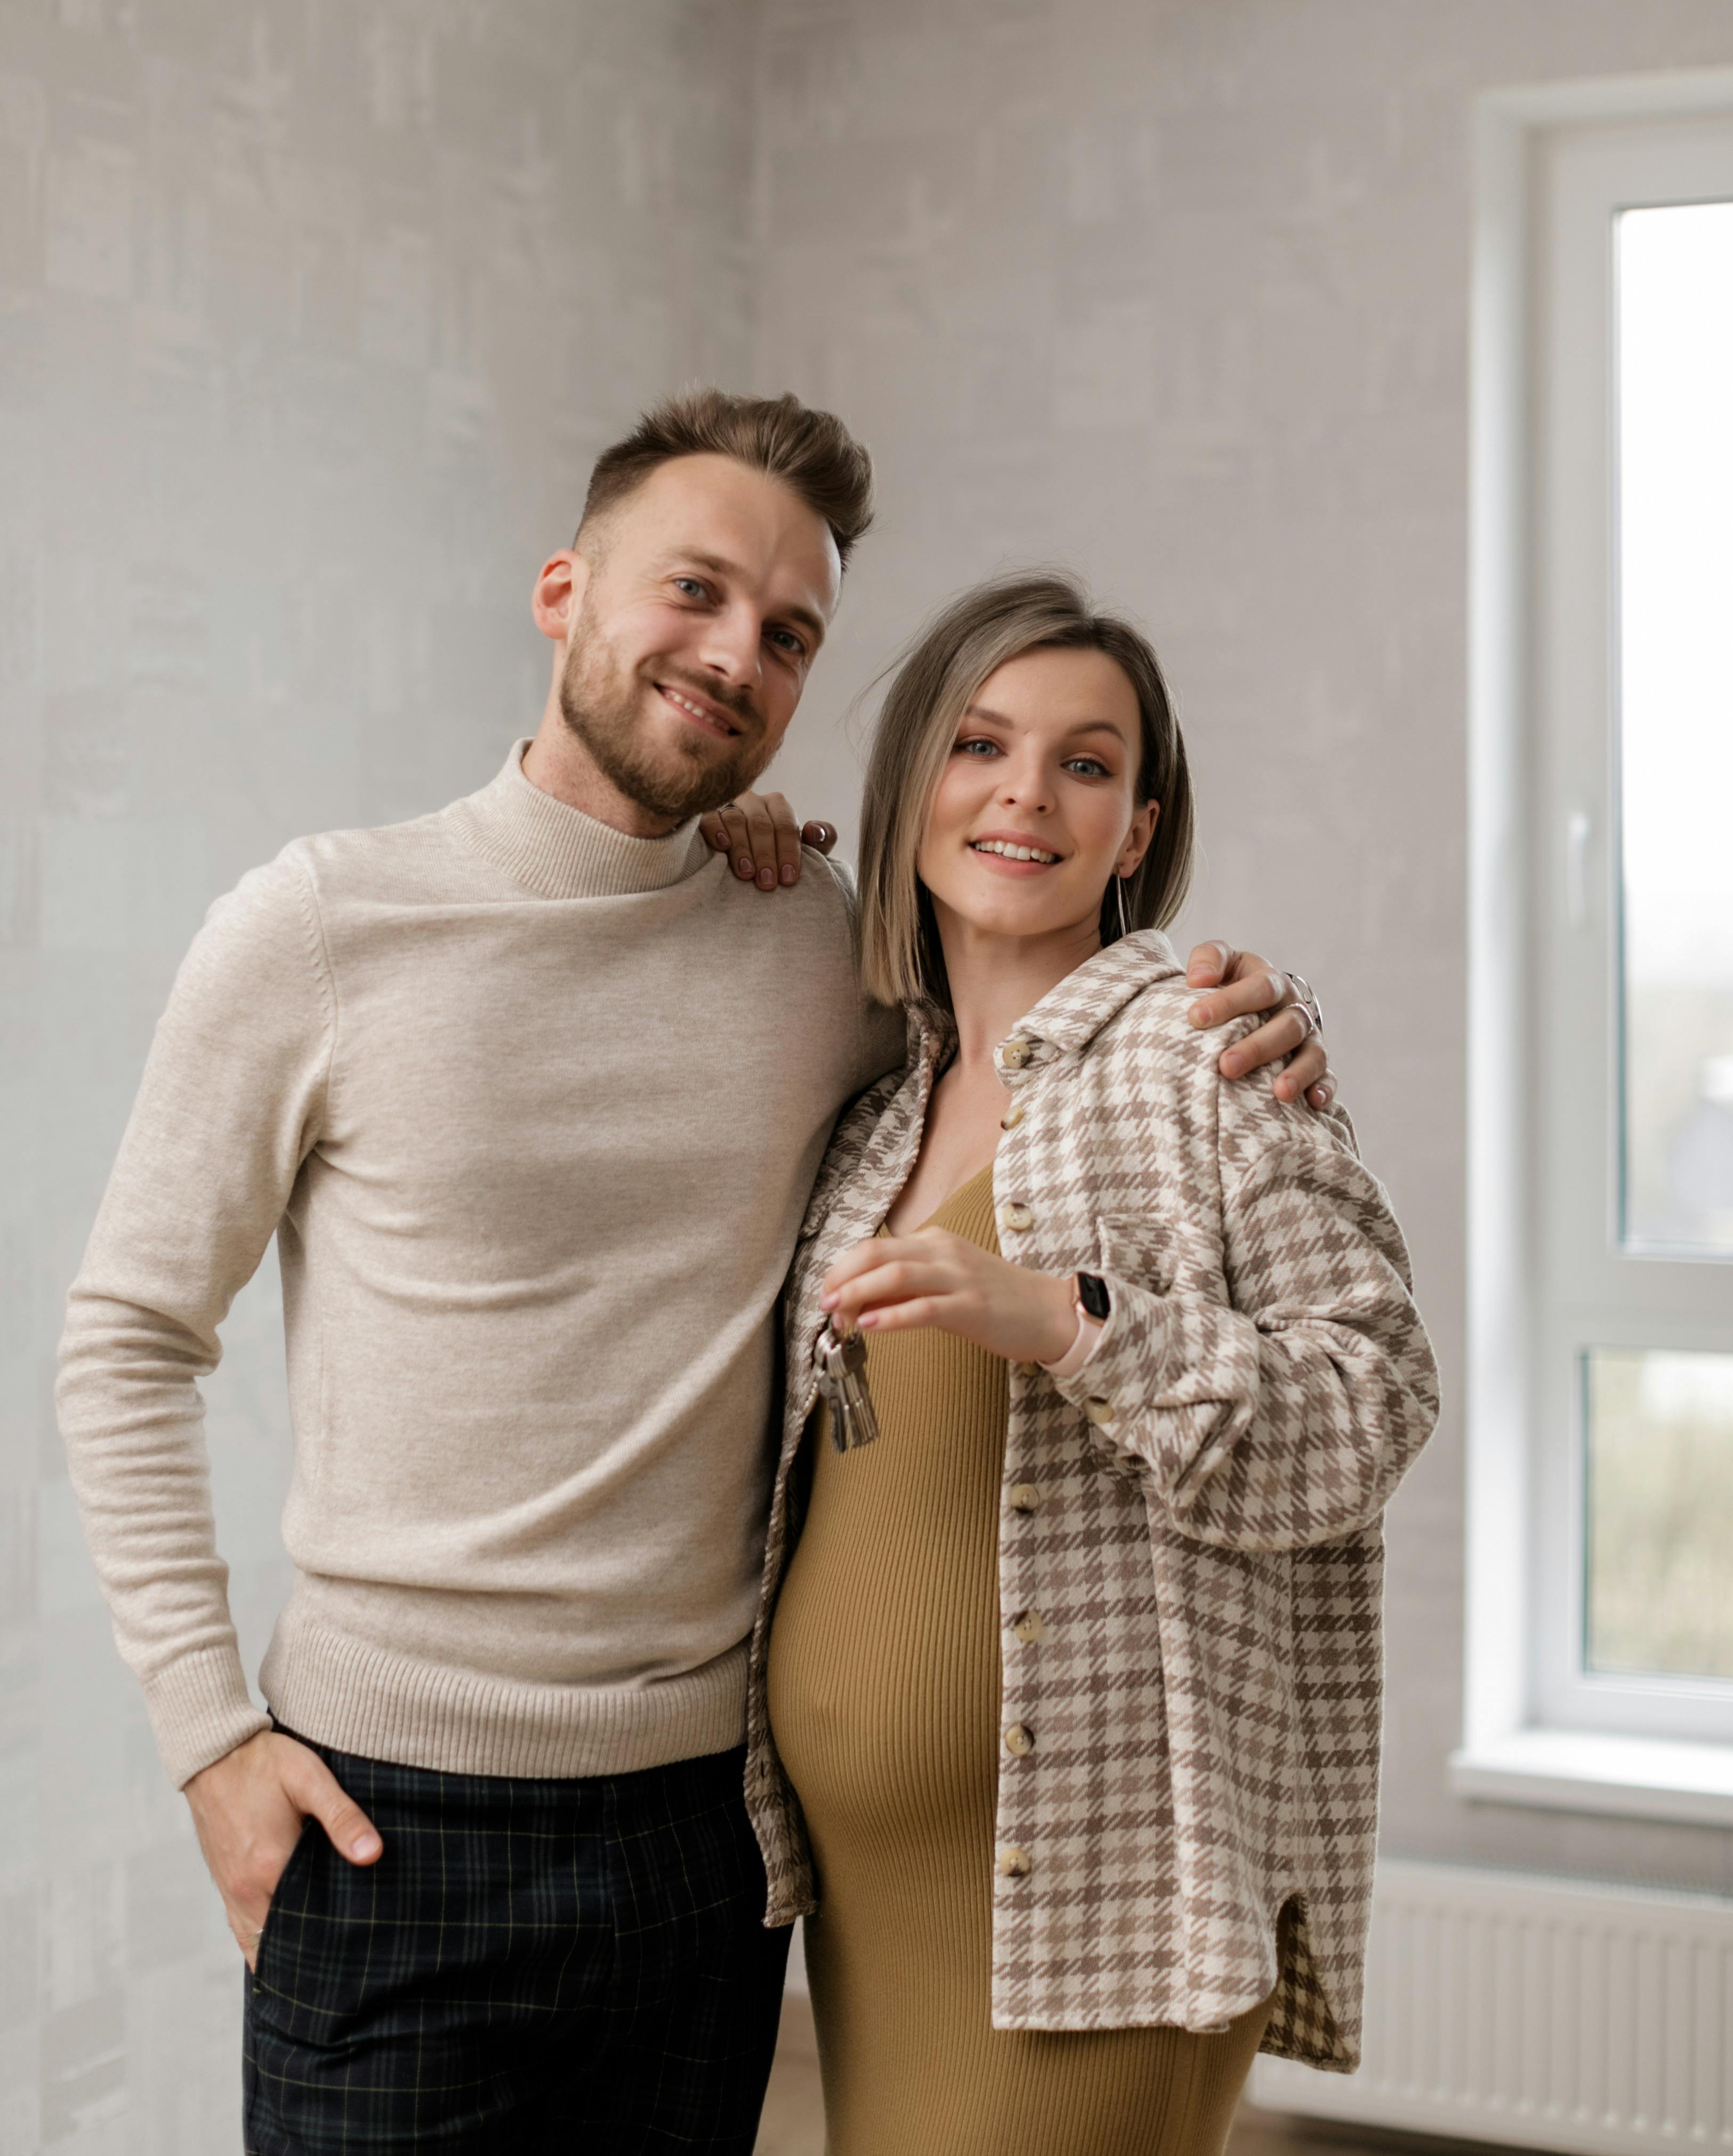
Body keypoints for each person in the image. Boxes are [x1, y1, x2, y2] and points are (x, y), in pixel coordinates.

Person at [57, 392, 1339, 2156]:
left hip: (703, 1836)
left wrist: (1252, 1005)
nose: (736, 654)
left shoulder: (809, 945)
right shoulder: (321, 929)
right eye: (695, 591)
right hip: (387, 1818)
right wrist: (209, 1737)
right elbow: (124, 1340)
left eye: (790, 632)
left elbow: (1038, 1017)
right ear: (565, 590)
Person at [747, 571, 1439, 2156]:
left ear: (1135, 829)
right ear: (912, 780)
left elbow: (1373, 1393)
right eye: (979, 743)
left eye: (1084, 761)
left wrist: (1068, 1321)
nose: (1023, 793)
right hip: (877, 1893)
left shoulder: (1209, 1056)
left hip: (1097, 1892)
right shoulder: (873, 1106)